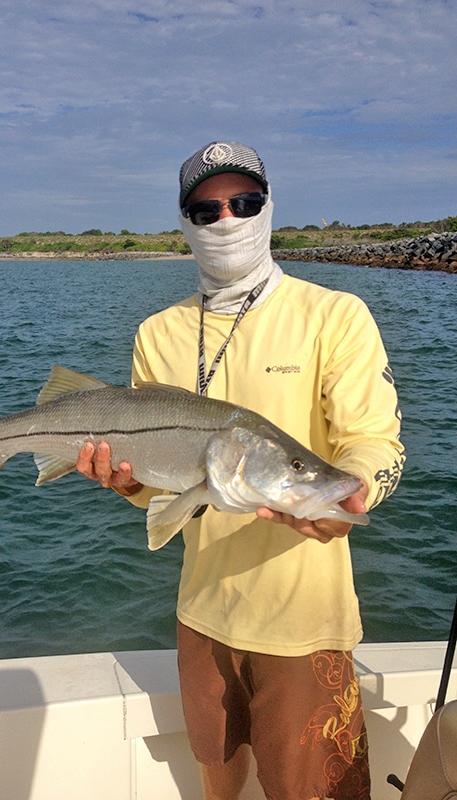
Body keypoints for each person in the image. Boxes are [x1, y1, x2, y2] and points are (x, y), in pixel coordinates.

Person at [77, 141, 405, 800]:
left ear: (268, 209)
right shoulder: (156, 333)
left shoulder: (335, 316)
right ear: (185, 222)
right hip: (199, 614)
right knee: (216, 788)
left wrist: (359, 487)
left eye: (245, 202)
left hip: (305, 622)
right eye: (206, 208)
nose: (227, 219)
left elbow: (374, 440)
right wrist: (126, 482)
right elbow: (160, 486)